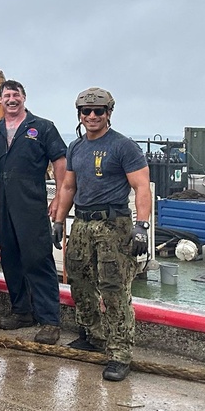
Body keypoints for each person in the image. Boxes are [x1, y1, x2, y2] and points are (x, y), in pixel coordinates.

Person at [51, 87, 151, 382]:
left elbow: (142, 187)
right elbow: (68, 186)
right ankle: (92, 335)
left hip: (113, 224)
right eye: (86, 111)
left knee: (114, 288)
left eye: (99, 111)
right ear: (79, 115)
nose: (92, 116)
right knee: (79, 280)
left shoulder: (124, 147)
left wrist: (141, 226)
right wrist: (58, 221)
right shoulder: (76, 147)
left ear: (109, 113)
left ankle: (120, 353)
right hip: (81, 223)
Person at [0, 80, 68, 344]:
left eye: (16, 95)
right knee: (9, 258)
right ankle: (22, 311)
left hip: (31, 203)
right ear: (0, 100)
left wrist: (58, 197)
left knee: (38, 259)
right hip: (1, 204)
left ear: (24, 98)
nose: (12, 99)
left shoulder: (43, 127)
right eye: (7, 95)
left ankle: (49, 321)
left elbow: (60, 162)